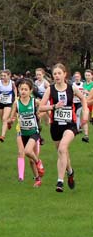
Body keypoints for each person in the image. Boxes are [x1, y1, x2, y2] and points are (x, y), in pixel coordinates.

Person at [38, 63, 88, 192]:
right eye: (55, 74)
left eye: (59, 73)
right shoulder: (50, 89)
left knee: (62, 148)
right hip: (55, 126)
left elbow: (83, 99)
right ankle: (70, 172)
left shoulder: (72, 88)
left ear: (65, 74)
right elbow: (41, 107)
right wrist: (54, 107)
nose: (57, 76)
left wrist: (85, 113)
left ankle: (60, 182)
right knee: (62, 152)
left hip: (70, 125)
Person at [10, 79, 45, 186]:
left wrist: (40, 115)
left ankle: (39, 163)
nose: (23, 91)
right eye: (21, 89)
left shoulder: (35, 102)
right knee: (30, 160)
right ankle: (37, 179)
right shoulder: (16, 103)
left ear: (30, 91)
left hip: (34, 131)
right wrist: (10, 121)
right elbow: (12, 117)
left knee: (28, 151)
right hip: (23, 132)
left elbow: (44, 109)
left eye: (26, 89)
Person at [0, 69, 16, 142]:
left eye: (4, 76)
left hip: (8, 103)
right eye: (2, 75)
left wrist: (16, 97)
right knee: (2, 120)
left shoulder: (12, 83)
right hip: (0, 103)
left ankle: (2, 136)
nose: (3, 77)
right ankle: (9, 122)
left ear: (9, 76)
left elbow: (15, 89)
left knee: (4, 118)